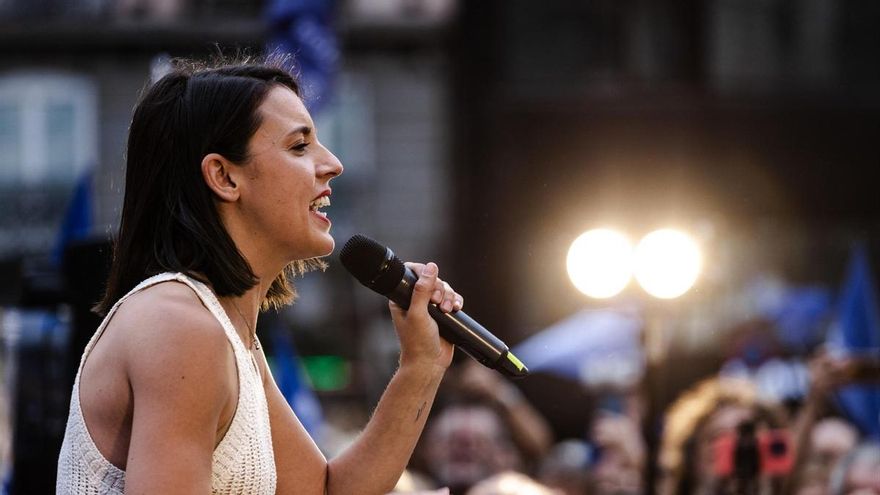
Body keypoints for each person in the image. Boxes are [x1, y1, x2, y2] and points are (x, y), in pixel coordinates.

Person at [55, 55, 464, 494]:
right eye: (299, 146)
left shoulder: (224, 332)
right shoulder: (180, 326)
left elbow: (325, 492)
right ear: (224, 176)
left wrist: (421, 366)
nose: (333, 164)